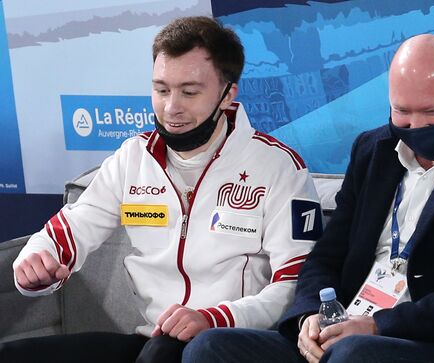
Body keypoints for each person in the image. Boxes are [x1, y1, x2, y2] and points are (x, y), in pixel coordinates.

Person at [181, 34, 434, 362]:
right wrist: (312, 315)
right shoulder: (372, 151)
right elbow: (326, 256)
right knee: (209, 348)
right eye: (402, 112)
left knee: (355, 354)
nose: (416, 127)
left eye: (433, 112)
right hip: (347, 333)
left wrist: (378, 326)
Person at [0, 16, 321, 363]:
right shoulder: (133, 158)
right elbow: (70, 230)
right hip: (152, 340)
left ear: (228, 95)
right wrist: (37, 261)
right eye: (162, 89)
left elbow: (296, 287)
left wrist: (216, 317)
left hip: (230, 343)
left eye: (189, 92)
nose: (171, 108)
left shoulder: (279, 168)